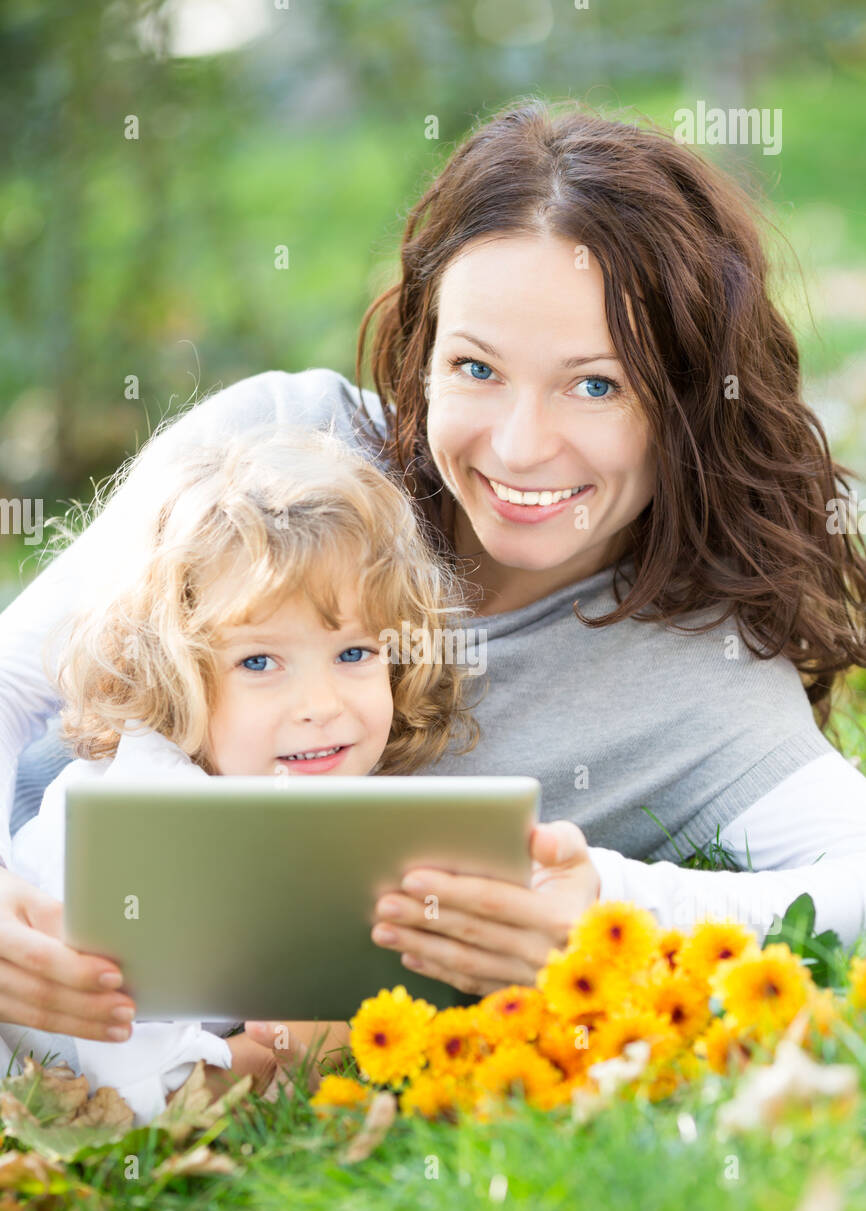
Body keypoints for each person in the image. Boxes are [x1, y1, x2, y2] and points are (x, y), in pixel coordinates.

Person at [1, 98, 865, 1037]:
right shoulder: (280, 449)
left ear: (689, 399)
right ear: (422, 355)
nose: (521, 447)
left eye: (595, 384)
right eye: (477, 369)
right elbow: (14, 677)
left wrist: (609, 915)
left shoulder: (698, 677)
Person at [0, 425, 481, 1118]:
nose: (320, 707)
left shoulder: (304, 803)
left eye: (353, 654)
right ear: (171, 675)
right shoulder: (143, 829)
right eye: (259, 662)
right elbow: (130, 1097)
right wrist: (299, 1056)